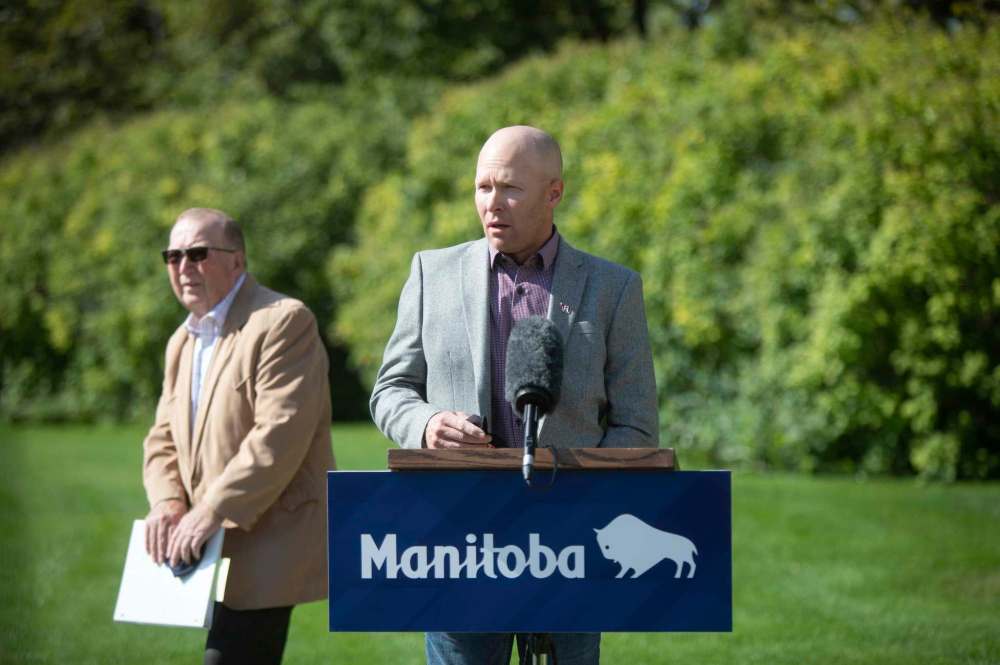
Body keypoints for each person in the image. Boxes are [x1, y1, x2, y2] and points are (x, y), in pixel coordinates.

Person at [370, 126, 659, 664]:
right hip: (457, 539)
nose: (492, 204)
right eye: (483, 187)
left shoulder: (613, 287)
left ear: (554, 193)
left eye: (510, 189)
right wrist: (426, 425)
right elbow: (391, 390)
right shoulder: (431, 273)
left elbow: (636, 424)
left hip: (570, 544)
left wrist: (584, 499)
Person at [142, 207, 334, 665]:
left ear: (237, 261)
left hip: (267, 541)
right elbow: (162, 437)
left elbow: (279, 436)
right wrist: (167, 502)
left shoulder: (284, 321)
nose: (183, 267)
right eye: (173, 256)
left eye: (197, 254)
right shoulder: (182, 341)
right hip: (199, 542)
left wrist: (212, 510)